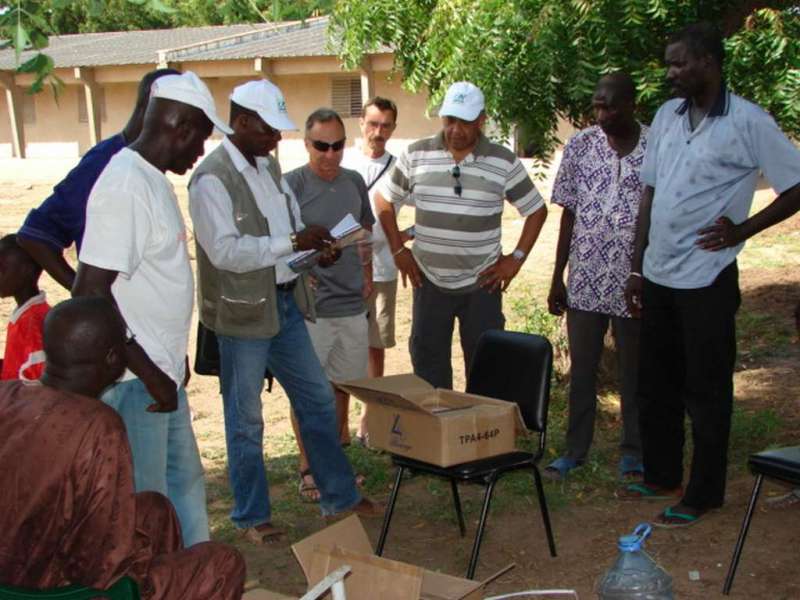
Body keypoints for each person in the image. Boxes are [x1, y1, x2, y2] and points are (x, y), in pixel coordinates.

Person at [621, 23, 800, 527]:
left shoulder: (748, 122)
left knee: (706, 391)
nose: (671, 72)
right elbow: (650, 195)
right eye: (669, 63)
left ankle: (703, 494)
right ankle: (661, 475)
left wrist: (741, 229)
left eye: (679, 63)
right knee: (655, 385)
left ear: (707, 63)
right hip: (658, 274)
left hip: (707, 278)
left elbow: (795, 185)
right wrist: (637, 267)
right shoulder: (666, 116)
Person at [188, 81, 381, 543]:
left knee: (316, 400)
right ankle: (252, 516)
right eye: (269, 130)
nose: (277, 139)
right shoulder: (212, 178)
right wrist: (295, 241)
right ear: (241, 123)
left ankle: (338, 494)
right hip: (242, 315)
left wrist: (315, 251)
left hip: (285, 304)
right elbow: (227, 253)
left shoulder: (268, 168)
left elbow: (288, 239)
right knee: (245, 417)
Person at [72, 71, 232, 546]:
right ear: (179, 127)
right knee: (148, 511)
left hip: (160, 374)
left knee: (183, 491)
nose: (200, 152)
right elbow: (90, 290)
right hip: (135, 385)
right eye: (200, 139)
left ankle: (198, 581)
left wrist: (169, 358)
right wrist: (146, 367)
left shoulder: (152, 181)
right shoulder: (124, 185)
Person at [0, 297, 246, 599]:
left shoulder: (7, 395)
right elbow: (102, 560)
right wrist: (138, 566)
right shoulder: (97, 425)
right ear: (114, 360)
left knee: (156, 510)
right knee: (222, 562)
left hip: (13, 572)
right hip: (60, 589)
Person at [374, 81, 548, 389]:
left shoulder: (503, 161)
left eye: (465, 122)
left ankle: (480, 432)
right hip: (427, 280)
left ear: (482, 120)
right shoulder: (416, 154)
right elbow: (384, 199)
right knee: (428, 369)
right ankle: (440, 432)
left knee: (487, 366)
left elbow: (536, 210)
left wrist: (516, 259)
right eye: (449, 120)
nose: (455, 130)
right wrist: (399, 251)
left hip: (483, 283)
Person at [544, 73, 647, 481]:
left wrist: (640, 270)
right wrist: (557, 276)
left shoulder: (656, 145)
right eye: (597, 106)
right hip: (585, 275)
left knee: (634, 370)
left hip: (632, 280)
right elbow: (568, 211)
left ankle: (634, 451)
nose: (601, 114)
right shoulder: (581, 146)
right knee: (582, 370)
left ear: (632, 105)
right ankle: (574, 450)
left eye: (611, 106)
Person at [16, 68, 180, 291]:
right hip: (115, 320)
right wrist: (85, 296)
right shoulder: (103, 164)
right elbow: (35, 235)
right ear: (153, 111)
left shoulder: (147, 166)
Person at [285, 108, 375, 500]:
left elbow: (364, 230)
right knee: (309, 391)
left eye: (337, 146)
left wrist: (367, 275)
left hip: (351, 305)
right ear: (307, 144)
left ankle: (335, 463)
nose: (330, 154)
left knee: (342, 387)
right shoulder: (291, 185)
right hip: (311, 309)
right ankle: (308, 468)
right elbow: (281, 245)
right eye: (322, 146)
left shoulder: (354, 181)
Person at [342, 96, 408, 445]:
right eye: (372, 124)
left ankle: (369, 415)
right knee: (341, 342)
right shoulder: (345, 162)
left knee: (374, 344)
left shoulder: (399, 167)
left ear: (394, 129)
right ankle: (340, 418)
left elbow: (423, 208)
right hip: (342, 270)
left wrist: (402, 238)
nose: (378, 132)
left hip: (383, 269)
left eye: (385, 125)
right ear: (361, 124)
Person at [0, 234, 50, 380]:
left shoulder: (32, 324)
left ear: (26, 271)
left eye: (2, 269)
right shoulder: (28, 313)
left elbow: (34, 383)